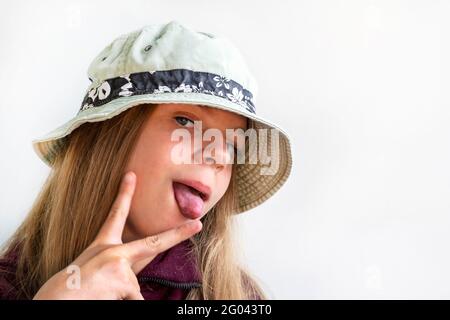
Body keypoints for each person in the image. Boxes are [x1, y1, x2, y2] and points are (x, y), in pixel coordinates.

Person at [0, 20, 292, 300]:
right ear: (108, 136)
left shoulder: (234, 294)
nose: (217, 154)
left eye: (232, 145)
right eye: (186, 121)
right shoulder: (10, 283)